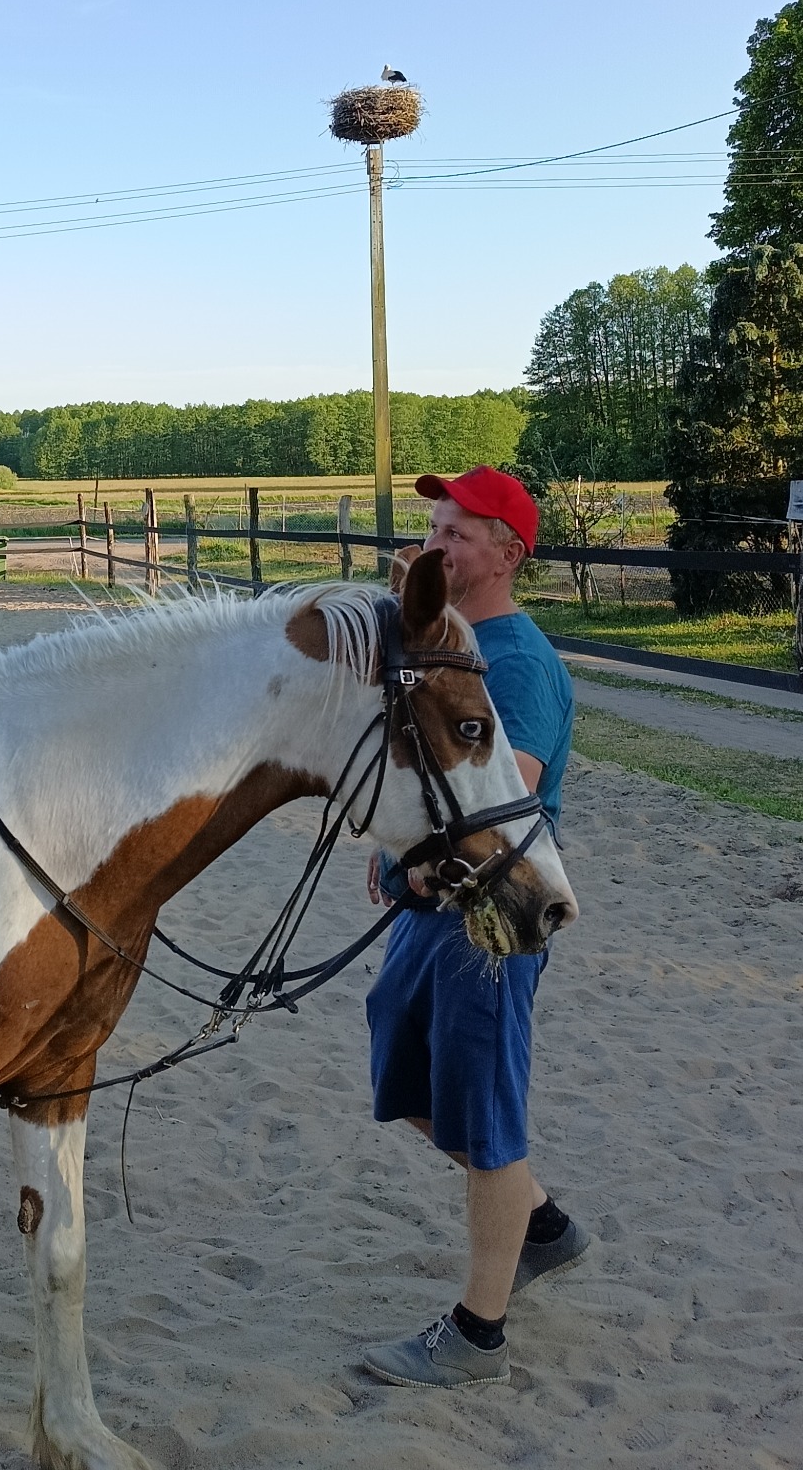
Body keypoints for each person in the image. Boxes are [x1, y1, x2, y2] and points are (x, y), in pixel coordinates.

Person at [361, 465, 590, 1388]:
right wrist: (393, 855)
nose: (436, 542)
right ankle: (540, 1223)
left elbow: (510, 786)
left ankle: (477, 1335)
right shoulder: (451, 641)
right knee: (403, 1066)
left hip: (491, 916)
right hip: (435, 902)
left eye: (458, 531)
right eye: (436, 526)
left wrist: (419, 855)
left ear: (507, 553)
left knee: (488, 1115)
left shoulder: (517, 659)